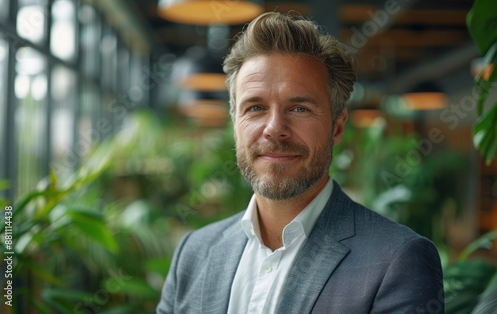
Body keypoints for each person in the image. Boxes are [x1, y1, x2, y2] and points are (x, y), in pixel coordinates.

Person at [157, 12, 444, 314]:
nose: (274, 128)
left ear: (337, 125)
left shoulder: (398, 260)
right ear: (234, 122)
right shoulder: (193, 253)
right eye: (255, 107)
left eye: (299, 108)